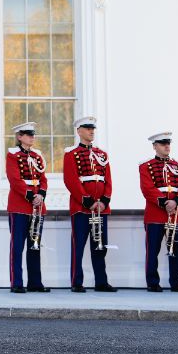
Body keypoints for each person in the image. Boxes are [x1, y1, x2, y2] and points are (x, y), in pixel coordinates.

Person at [64, 116, 116, 293]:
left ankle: (101, 282)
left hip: (101, 208)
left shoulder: (102, 154)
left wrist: (104, 201)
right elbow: (71, 180)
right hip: (81, 208)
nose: (91, 131)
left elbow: (108, 180)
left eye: (93, 128)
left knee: (100, 246)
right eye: (87, 128)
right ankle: (76, 282)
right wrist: (88, 201)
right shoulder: (71, 154)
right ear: (79, 131)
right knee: (78, 247)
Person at [139, 132, 178, 292]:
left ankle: (176, 282)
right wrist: (164, 202)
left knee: (176, 249)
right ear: (155, 146)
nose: (167, 146)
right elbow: (147, 188)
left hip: (175, 213)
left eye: (168, 143)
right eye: (163, 144)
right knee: (152, 251)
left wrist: (176, 201)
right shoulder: (146, 166)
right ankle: (152, 282)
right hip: (155, 214)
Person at [5, 122, 50, 293]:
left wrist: (41, 195)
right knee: (17, 247)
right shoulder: (13, 155)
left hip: (37, 206)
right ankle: (16, 283)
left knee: (34, 245)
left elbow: (43, 179)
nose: (32, 137)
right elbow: (15, 180)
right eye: (28, 134)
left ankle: (35, 283)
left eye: (33, 134)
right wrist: (31, 196)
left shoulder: (37, 156)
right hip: (20, 205)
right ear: (19, 137)